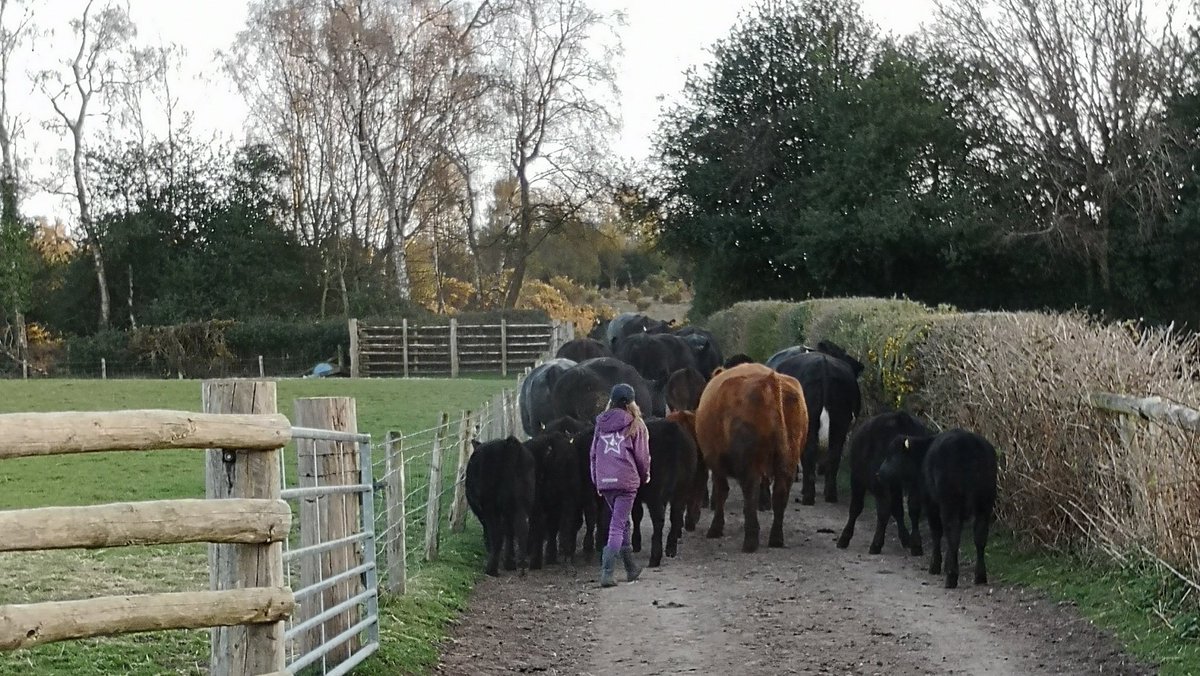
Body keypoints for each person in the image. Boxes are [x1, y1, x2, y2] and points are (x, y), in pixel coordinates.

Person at [590, 383, 651, 588]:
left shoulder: (600, 424)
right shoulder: (635, 424)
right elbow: (642, 456)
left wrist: (596, 479)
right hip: (626, 481)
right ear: (631, 402)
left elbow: (593, 454)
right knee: (617, 525)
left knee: (622, 522)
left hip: (605, 482)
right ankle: (607, 572)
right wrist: (644, 475)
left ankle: (631, 568)